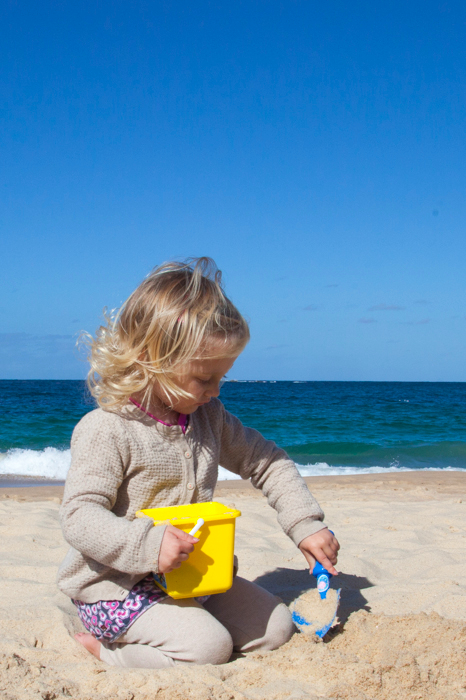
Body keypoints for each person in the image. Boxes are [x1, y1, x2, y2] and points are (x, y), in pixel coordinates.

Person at [58, 257, 339, 669]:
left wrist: (305, 524)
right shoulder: (107, 429)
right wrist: (150, 546)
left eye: (222, 377)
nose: (215, 390)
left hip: (195, 580)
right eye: (204, 379)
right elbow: (79, 517)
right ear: (150, 358)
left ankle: (183, 622)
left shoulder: (209, 418)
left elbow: (268, 462)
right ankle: (106, 651)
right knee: (209, 647)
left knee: (276, 628)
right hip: (116, 588)